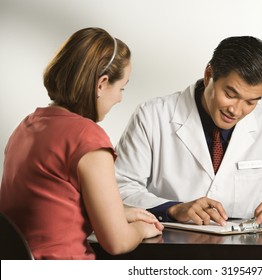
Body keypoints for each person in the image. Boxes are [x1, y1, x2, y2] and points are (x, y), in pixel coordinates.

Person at [115, 36, 262, 229]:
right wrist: (173, 208)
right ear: (208, 75)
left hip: (245, 253)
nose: (236, 110)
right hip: (170, 248)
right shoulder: (152, 116)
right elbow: (119, 188)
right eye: (230, 94)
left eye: (251, 102)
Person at [0, 27, 163, 260]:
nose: (120, 97)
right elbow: (117, 242)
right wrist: (140, 230)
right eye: (121, 87)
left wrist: (120, 213)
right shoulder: (87, 137)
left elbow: (52, 207)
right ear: (102, 83)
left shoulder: (27, 126)